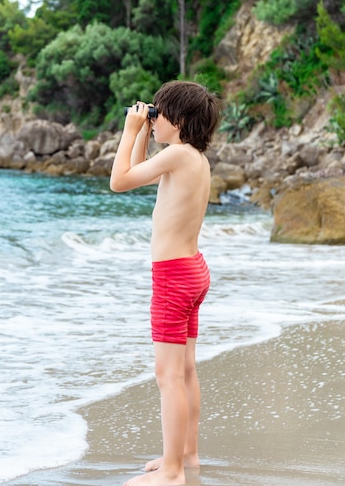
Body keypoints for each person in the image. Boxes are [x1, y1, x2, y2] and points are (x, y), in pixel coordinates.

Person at [110, 80, 221, 486]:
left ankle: (172, 471)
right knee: (186, 370)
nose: (152, 119)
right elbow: (137, 173)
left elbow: (118, 181)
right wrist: (142, 132)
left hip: (173, 276)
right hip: (193, 270)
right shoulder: (191, 157)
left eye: (159, 113)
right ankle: (186, 455)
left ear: (181, 121)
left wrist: (129, 129)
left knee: (168, 376)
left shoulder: (176, 155)